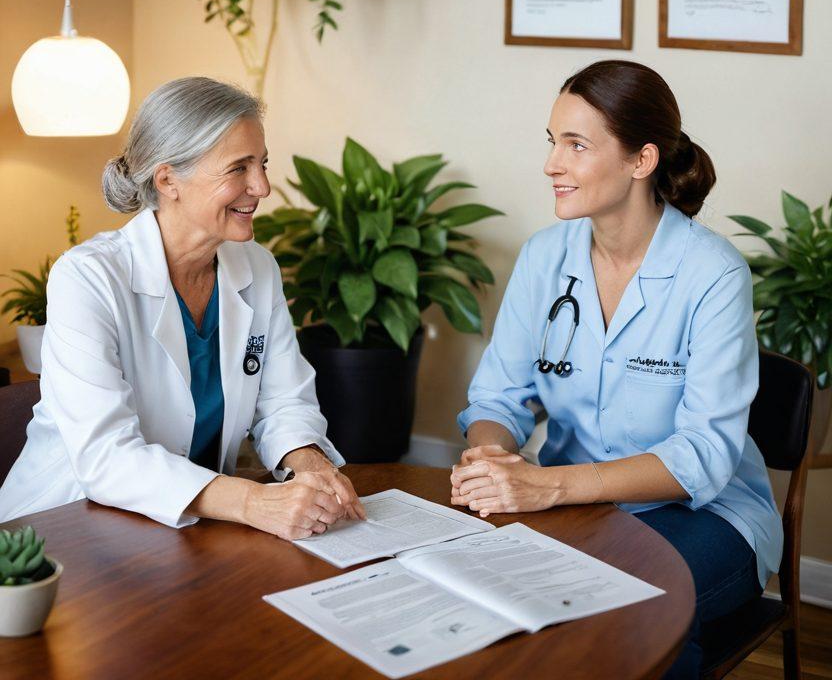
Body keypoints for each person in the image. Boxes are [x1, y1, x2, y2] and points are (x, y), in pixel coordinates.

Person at [451, 60, 781, 679]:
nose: (553, 163)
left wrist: (550, 486)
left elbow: (705, 453)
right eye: (553, 142)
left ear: (641, 160)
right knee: (486, 605)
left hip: (707, 518)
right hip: (576, 509)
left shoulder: (712, 274)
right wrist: (492, 456)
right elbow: (498, 398)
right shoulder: (544, 257)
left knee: (630, 617)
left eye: (577, 145)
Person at [0, 77, 364, 540]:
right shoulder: (88, 278)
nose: (263, 187)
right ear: (168, 179)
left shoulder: (257, 268)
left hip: (189, 527)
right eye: (239, 168)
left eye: (263, 164)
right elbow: (106, 455)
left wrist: (309, 464)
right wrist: (253, 500)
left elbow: (283, 399)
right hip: (66, 526)